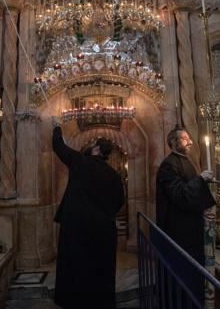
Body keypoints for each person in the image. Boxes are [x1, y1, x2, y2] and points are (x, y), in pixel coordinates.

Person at [51, 119, 125, 309]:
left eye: (93, 143)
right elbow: (120, 202)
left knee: (76, 269)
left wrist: (57, 127)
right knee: (101, 271)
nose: (90, 144)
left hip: (77, 228)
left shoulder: (80, 161)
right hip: (103, 231)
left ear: (97, 150)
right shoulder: (115, 176)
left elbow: (58, 146)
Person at [156, 126, 216, 305]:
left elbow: (190, 187)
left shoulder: (185, 160)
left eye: (189, 138)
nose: (190, 142)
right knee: (181, 272)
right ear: (173, 143)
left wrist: (204, 181)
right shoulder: (168, 165)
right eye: (184, 139)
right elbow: (180, 195)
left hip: (190, 227)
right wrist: (200, 180)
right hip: (178, 231)